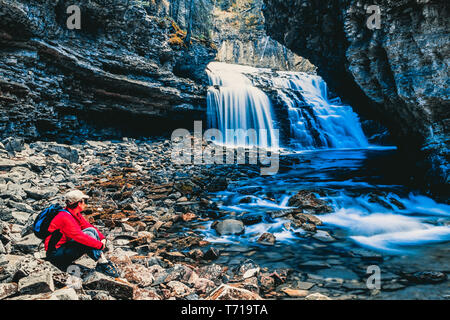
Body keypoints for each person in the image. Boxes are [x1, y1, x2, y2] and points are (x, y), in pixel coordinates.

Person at [45, 189, 119, 277]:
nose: (85, 203)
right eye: (84, 201)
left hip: (62, 249)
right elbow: (80, 237)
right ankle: (102, 263)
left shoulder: (73, 213)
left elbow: (88, 226)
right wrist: (99, 245)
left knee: (91, 231)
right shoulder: (65, 217)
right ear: (79, 203)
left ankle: (102, 261)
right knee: (88, 235)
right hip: (56, 255)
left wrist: (102, 238)